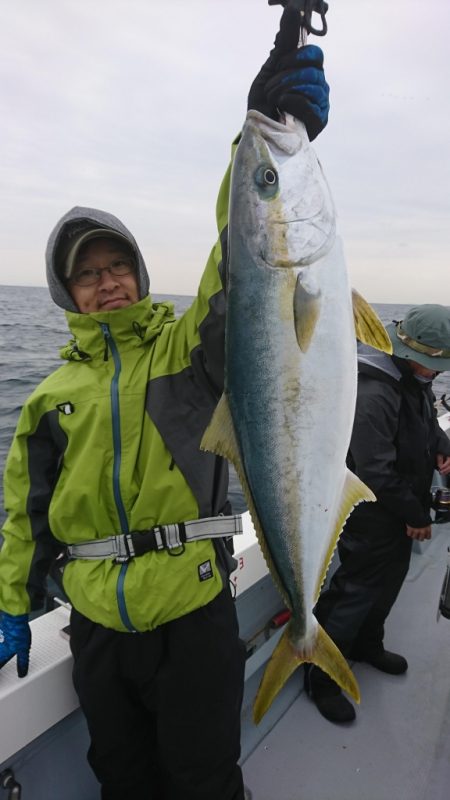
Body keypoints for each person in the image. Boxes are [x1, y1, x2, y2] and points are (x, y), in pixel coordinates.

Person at [0, 6, 329, 799]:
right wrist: (12, 602)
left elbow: (245, 256)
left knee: (204, 777)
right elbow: (26, 511)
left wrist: (255, 128)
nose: (107, 279)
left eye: (119, 265)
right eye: (89, 272)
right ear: (67, 293)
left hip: (193, 614)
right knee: (122, 777)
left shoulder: (181, 352)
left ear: (141, 277)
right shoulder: (48, 398)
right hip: (99, 631)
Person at [305, 304, 450, 724]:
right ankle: (320, 675)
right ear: (409, 355)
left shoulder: (409, 377)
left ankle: (367, 645)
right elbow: (375, 471)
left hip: (401, 504)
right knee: (355, 590)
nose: (435, 373)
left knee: (388, 584)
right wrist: (417, 514)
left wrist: (442, 444)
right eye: (432, 366)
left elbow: (424, 418)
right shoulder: (372, 391)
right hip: (371, 510)